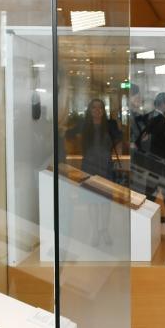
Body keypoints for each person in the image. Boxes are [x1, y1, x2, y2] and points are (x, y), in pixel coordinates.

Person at [67, 98, 123, 246]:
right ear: (89, 110)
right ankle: (95, 231)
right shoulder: (84, 125)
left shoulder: (110, 124)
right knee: (91, 200)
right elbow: (68, 134)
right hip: (89, 166)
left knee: (105, 201)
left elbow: (119, 141)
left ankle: (104, 230)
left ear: (103, 110)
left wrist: (118, 157)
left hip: (106, 166)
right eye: (94, 108)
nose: (97, 110)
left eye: (100, 108)